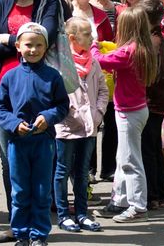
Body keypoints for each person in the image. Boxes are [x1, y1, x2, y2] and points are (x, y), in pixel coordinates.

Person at [0, 0, 62, 244]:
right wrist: (14, 42)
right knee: (10, 163)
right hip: (3, 92)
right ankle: (16, 226)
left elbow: (49, 36)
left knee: (40, 165)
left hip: (42, 91)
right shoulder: (0, 5)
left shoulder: (49, 2)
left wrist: (8, 40)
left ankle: (38, 226)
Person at [0, 22, 69, 246]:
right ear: (18, 46)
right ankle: (21, 233)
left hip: (43, 142)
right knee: (20, 191)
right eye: (28, 45)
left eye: (38, 45)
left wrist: (49, 116)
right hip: (18, 142)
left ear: (46, 47)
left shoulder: (53, 76)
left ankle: (39, 234)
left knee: (42, 190)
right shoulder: (10, 77)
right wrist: (14, 124)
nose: (33, 50)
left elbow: (62, 105)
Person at [92, 6, 157, 223]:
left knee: (130, 161)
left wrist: (93, 44)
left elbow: (99, 60)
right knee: (122, 158)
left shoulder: (128, 51)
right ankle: (119, 200)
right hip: (135, 110)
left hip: (129, 113)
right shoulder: (142, 47)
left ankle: (138, 206)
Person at [54, 17, 108, 233]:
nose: (92, 38)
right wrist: (69, 114)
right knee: (62, 170)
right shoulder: (61, 64)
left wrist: (99, 112)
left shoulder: (93, 62)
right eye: (87, 34)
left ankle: (82, 213)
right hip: (67, 128)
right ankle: (63, 215)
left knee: (83, 171)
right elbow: (56, 96)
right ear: (71, 38)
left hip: (89, 126)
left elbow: (103, 89)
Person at [138, 0, 164, 210]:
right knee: (153, 146)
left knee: (148, 148)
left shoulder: (153, 43)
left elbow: (152, 76)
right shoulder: (159, 39)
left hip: (152, 103)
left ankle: (152, 194)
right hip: (160, 101)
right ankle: (160, 193)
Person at [89, 0, 119, 183]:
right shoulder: (87, 9)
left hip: (110, 71)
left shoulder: (118, 9)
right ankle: (89, 168)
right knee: (91, 119)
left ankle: (109, 168)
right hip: (89, 70)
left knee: (112, 120)